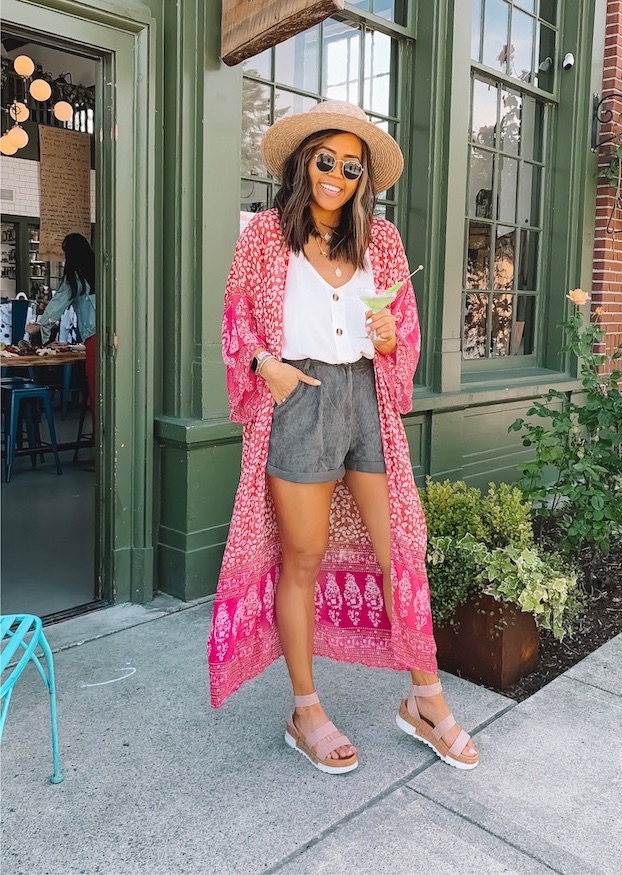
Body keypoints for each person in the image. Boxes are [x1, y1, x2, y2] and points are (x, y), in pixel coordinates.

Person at [208, 100, 480, 775]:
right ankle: (305, 708)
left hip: (367, 400)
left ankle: (425, 698)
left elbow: (403, 328)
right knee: (301, 558)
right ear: (305, 164)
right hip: (299, 399)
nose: (335, 174)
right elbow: (237, 316)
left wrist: (390, 338)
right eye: (324, 160)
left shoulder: (381, 241)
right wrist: (264, 366)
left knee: (401, 552)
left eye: (349, 166)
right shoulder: (265, 235)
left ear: (364, 178)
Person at [26, 233, 96, 412]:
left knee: (97, 393)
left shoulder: (75, 276)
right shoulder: (100, 271)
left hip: (94, 339)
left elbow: (60, 302)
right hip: (114, 334)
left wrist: (40, 325)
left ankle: (98, 438)